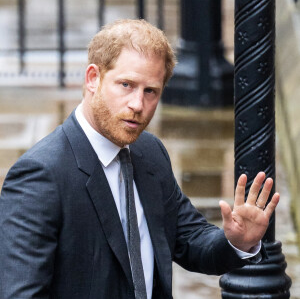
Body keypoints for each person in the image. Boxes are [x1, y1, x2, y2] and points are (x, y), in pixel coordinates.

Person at [0, 19, 279, 299]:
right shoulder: (41, 175)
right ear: (93, 78)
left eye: (150, 91)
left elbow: (190, 240)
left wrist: (236, 242)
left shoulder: (150, 153)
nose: (137, 105)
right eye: (126, 85)